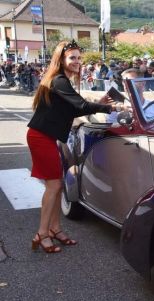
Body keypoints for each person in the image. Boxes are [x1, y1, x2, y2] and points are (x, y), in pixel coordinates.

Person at [27, 40, 115, 253]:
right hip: (40, 137)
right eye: (72, 58)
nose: (77, 61)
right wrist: (112, 106)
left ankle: (55, 228)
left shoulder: (61, 81)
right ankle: (42, 232)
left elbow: (74, 110)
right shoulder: (59, 80)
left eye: (78, 57)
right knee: (54, 186)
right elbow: (82, 105)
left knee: (56, 185)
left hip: (47, 137)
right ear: (62, 60)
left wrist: (102, 100)